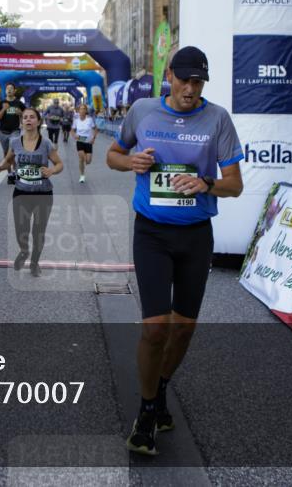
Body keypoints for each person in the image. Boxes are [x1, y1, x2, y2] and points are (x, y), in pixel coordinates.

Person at [106, 46, 243, 456]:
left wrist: (207, 184)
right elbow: (113, 155)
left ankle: (160, 387)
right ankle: (147, 411)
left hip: (195, 236)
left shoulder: (217, 118)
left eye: (198, 81)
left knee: (183, 328)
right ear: (169, 75)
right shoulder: (144, 111)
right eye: (184, 79)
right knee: (154, 327)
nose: (190, 88)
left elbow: (235, 184)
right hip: (151, 233)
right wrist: (130, 162)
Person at [0, 107, 63, 276]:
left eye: (32, 117)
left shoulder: (46, 143)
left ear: (38, 121)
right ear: (21, 122)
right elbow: (9, 159)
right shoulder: (15, 142)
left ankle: (34, 263)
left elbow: (59, 164)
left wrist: (52, 171)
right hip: (21, 192)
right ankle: (24, 251)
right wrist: (0, 167)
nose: (28, 120)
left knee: (39, 231)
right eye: (25, 118)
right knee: (21, 230)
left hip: (43, 194)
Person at [0, 83, 24, 184]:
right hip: (3, 132)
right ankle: (10, 174)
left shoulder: (18, 103)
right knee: (6, 154)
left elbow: (27, 115)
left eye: (11, 88)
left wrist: (21, 114)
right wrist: (3, 109)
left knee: (13, 153)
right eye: (7, 89)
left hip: (15, 131)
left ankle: (15, 173)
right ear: (5, 91)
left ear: (15, 91)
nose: (9, 90)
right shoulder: (1, 103)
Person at [73, 103, 98, 183]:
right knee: (81, 158)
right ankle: (82, 175)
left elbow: (95, 129)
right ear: (78, 111)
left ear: (86, 111)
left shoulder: (90, 119)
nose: (82, 110)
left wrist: (93, 138)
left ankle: (84, 163)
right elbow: (72, 130)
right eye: (81, 109)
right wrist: (74, 135)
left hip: (88, 141)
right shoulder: (76, 120)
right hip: (80, 140)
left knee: (88, 161)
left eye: (84, 109)